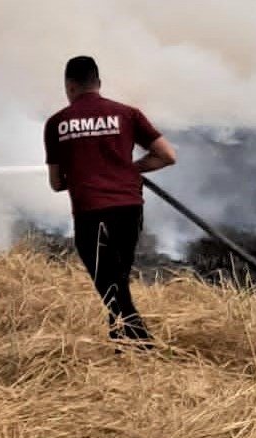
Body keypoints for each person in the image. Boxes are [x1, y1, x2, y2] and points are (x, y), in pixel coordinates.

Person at [44, 56, 177, 347]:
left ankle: (139, 341)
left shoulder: (57, 123)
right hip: (128, 205)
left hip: (89, 208)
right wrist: (131, 169)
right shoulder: (128, 114)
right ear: (99, 84)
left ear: (69, 87)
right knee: (118, 275)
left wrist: (81, 174)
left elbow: (56, 184)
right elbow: (168, 156)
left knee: (105, 278)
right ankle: (122, 340)